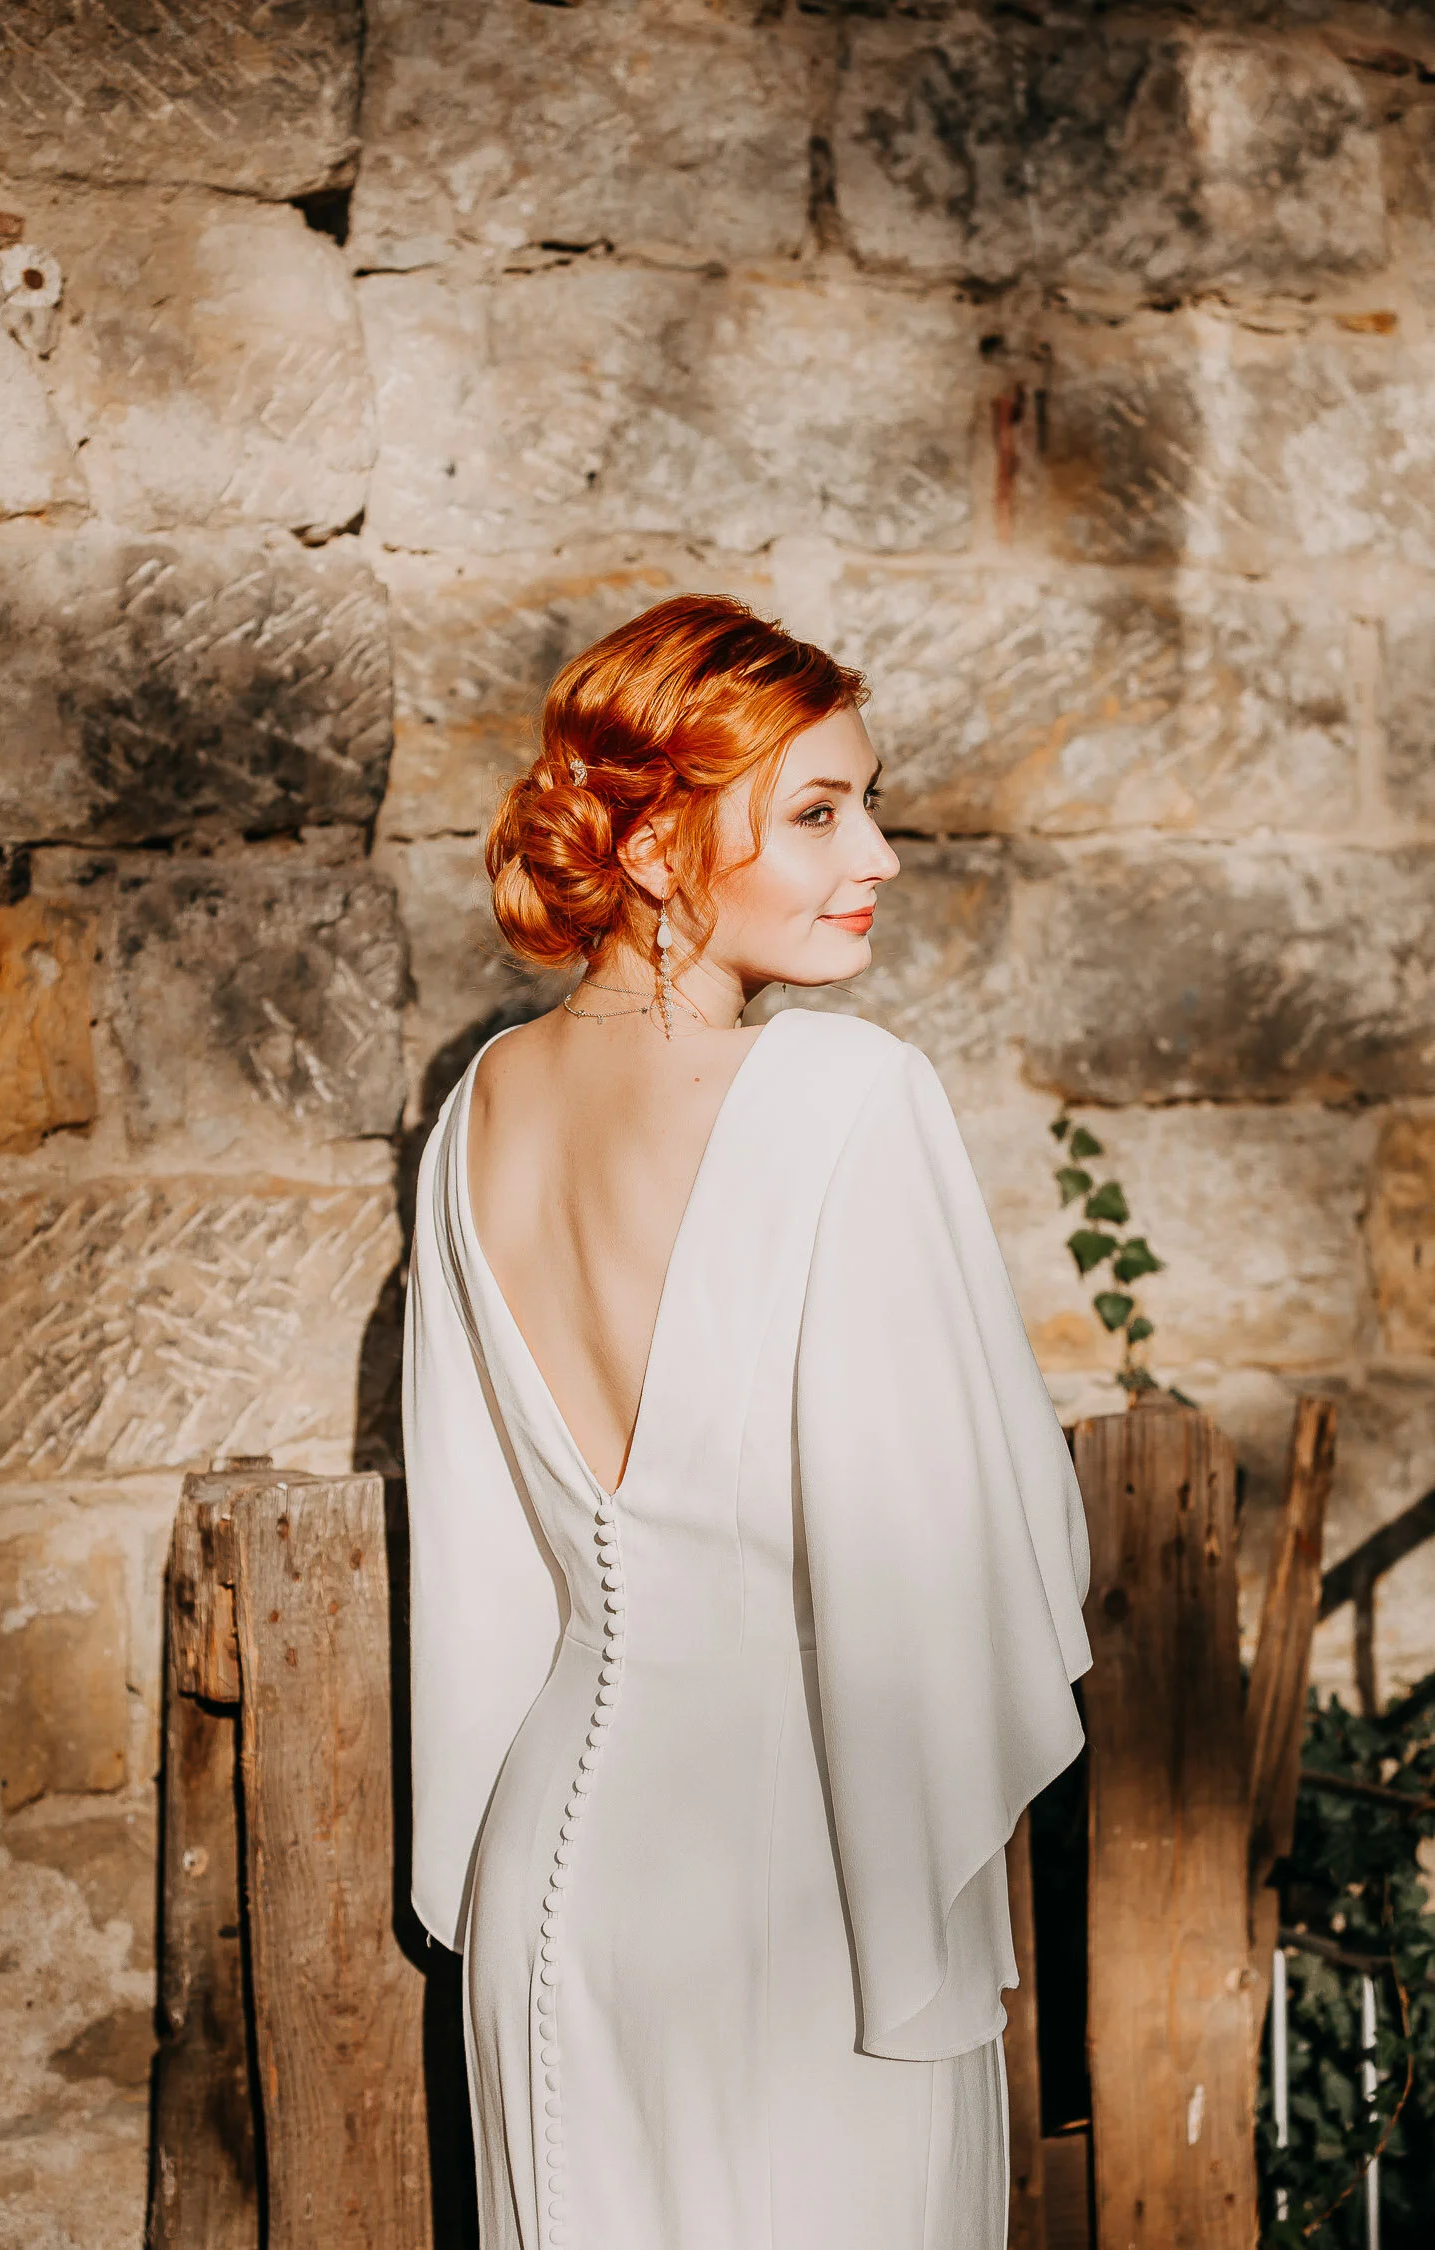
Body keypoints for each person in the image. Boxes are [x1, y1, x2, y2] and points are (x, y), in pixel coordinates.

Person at [402, 595, 1091, 2250]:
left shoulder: (477, 1110)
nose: (882, 856)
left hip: (550, 1879)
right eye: (818, 813)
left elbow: (482, 1548)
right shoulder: (843, 1094)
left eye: (868, 802)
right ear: (652, 847)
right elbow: (983, 1550)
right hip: (802, 1881)